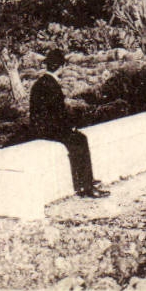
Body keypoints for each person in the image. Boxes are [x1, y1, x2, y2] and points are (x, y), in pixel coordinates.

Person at [29, 49, 109, 199]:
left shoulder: (40, 83)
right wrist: (69, 127)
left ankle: (85, 180)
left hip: (40, 127)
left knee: (77, 138)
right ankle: (86, 186)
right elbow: (58, 113)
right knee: (80, 140)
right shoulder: (52, 85)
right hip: (48, 130)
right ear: (62, 66)